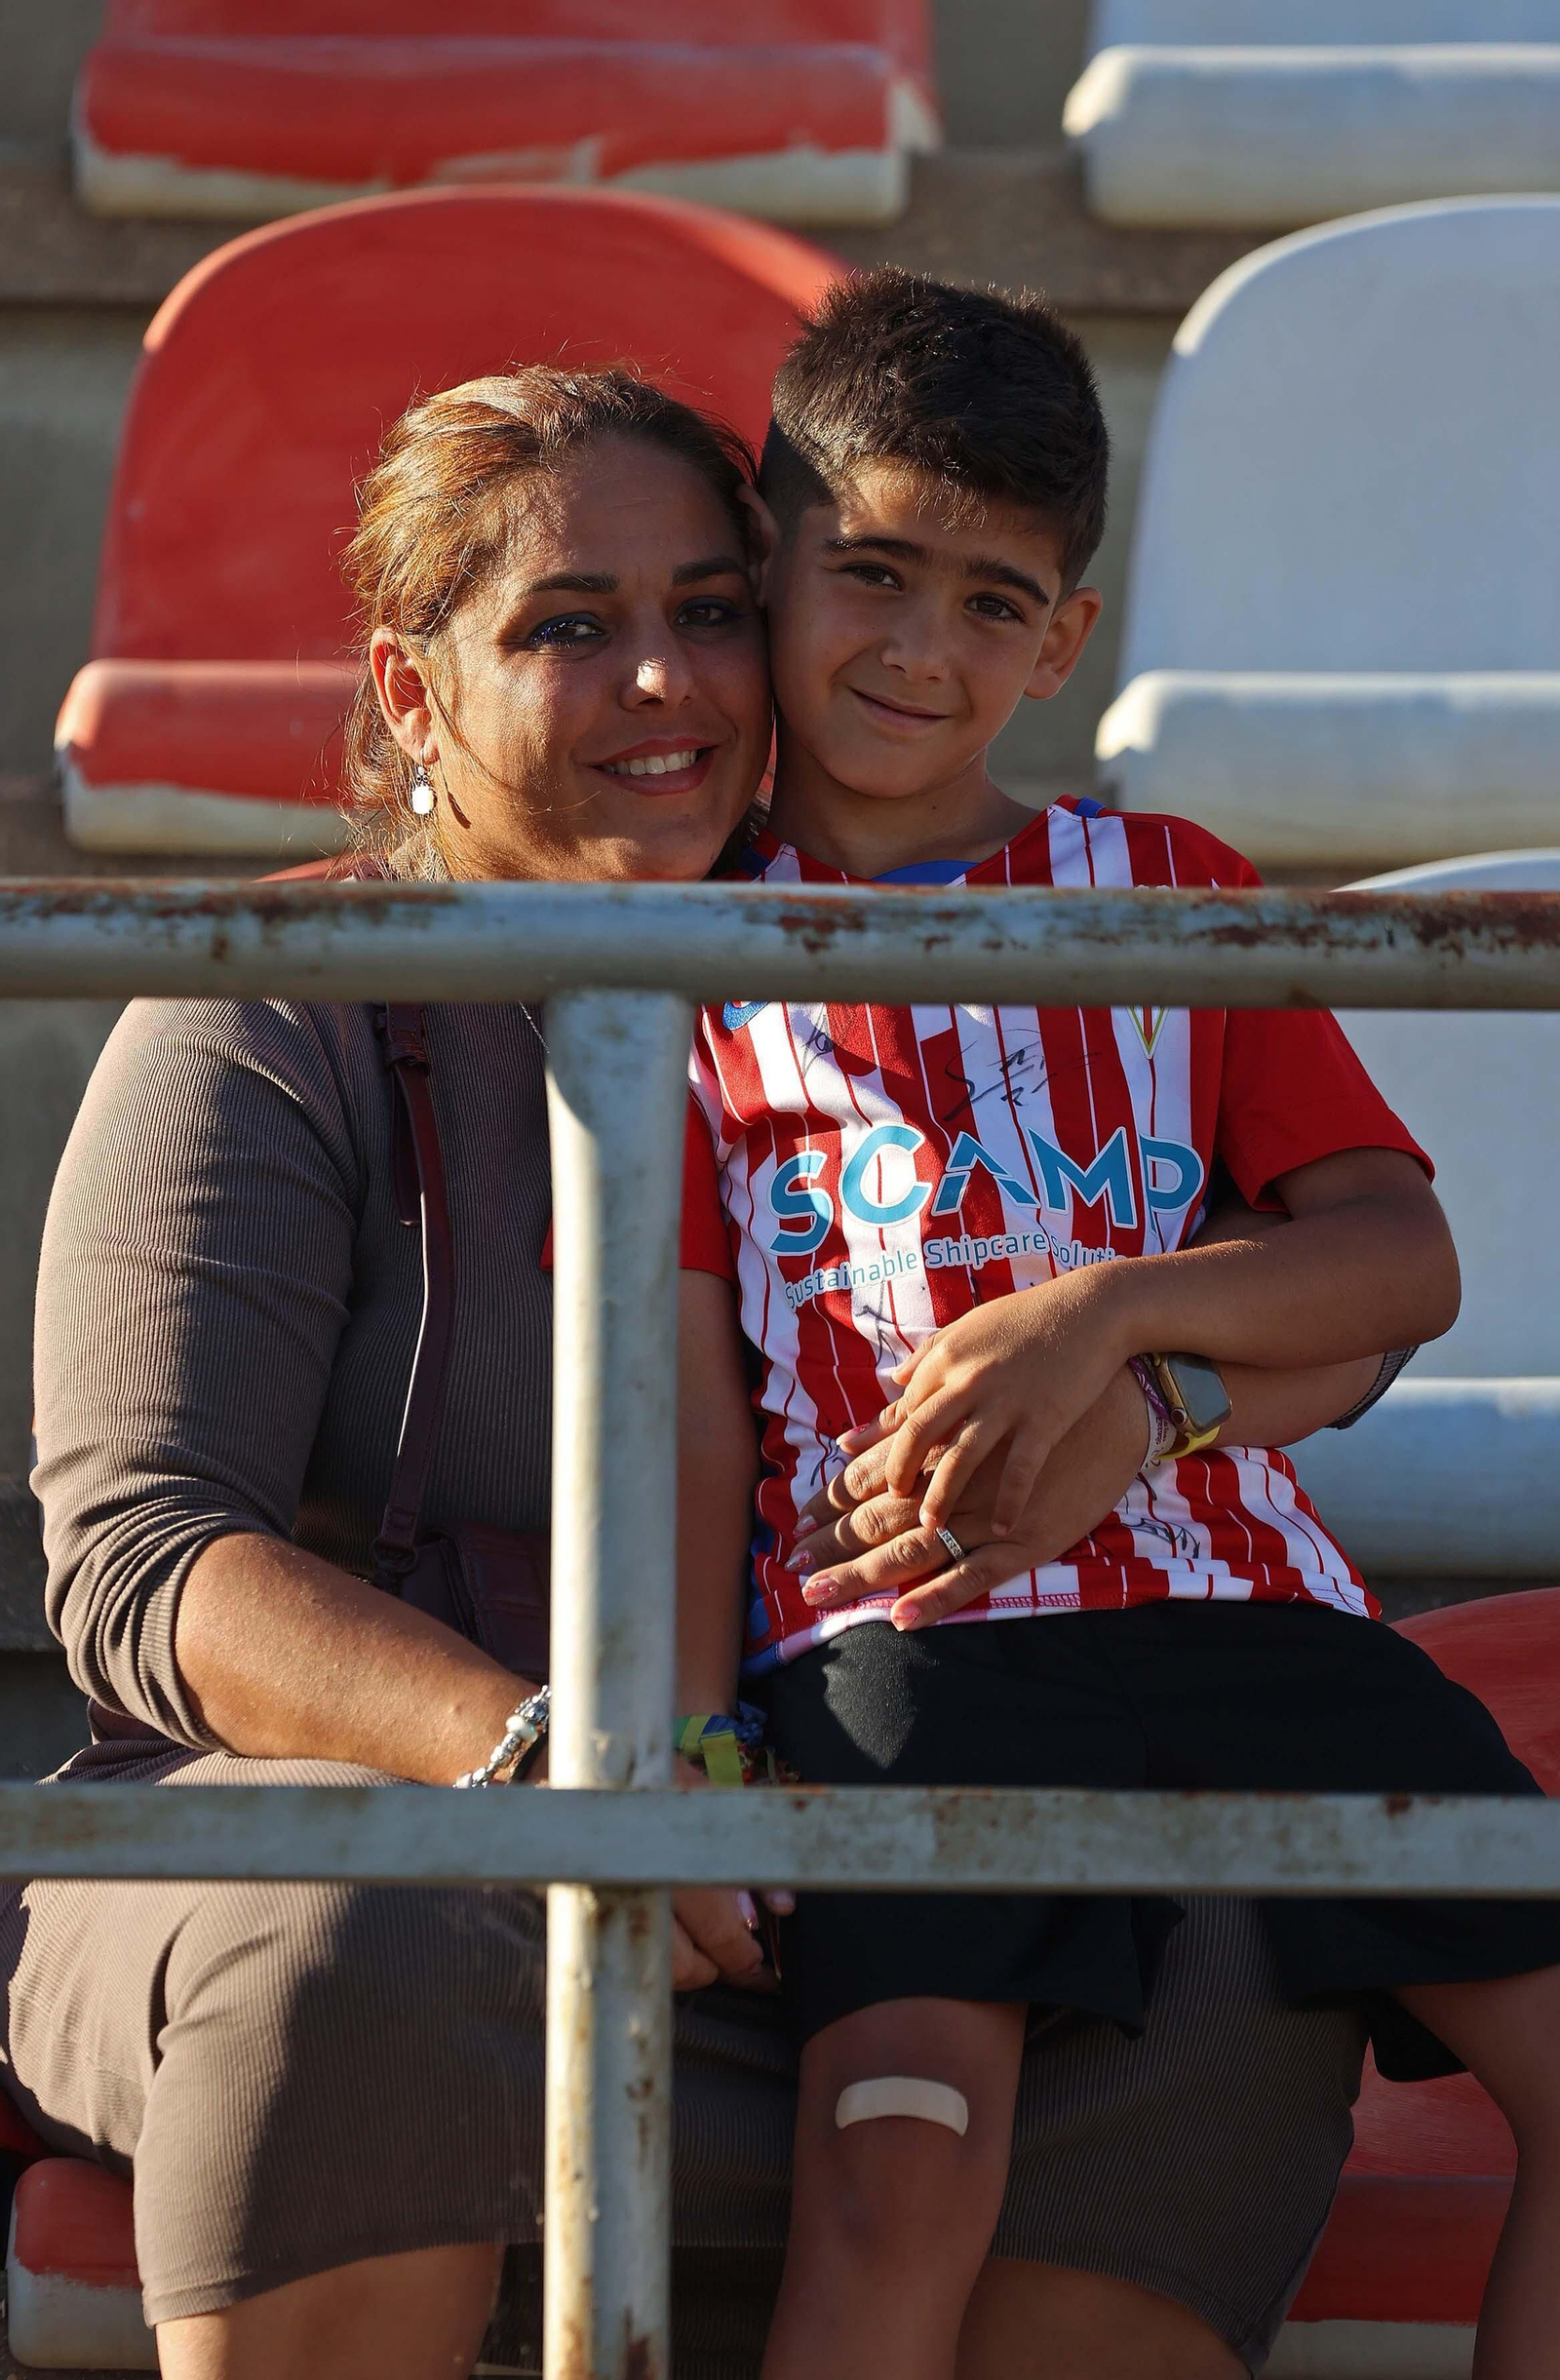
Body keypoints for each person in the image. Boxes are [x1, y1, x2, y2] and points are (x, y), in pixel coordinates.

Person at [3, 364, 1383, 2380]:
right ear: (411, 694)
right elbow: (138, 1562)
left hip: (802, 1860)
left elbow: (1325, 1297)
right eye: (570, 627)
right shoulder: (266, 1003)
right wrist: (556, 1769)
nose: (666, 681)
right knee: (371, 1934)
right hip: (336, 1843)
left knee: (1205, 1975)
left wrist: (1146, 1388)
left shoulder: (908, 955)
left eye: (710, 609)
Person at [678, 269, 1560, 2380]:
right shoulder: (677, 938)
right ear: (763, 560)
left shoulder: (1164, 889)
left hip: (1254, 1617)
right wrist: (683, 1730)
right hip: (903, 1648)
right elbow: (685, 1402)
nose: (919, 647)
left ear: (1065, 640)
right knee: (898, 2162)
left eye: (992, 601)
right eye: (869, 571)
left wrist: (1109, 1328)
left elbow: (1392, 1262)